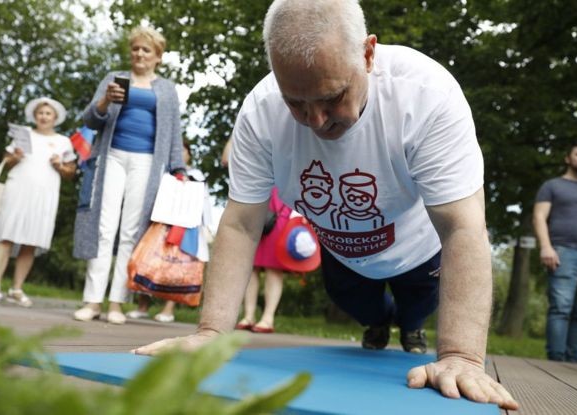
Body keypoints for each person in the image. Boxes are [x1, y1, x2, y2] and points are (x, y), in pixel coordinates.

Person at [135, 0, 518, 409]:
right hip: (343, 252)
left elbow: (463, 225)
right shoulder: (260, 112)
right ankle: (377, 324)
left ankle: (407, 328)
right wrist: (210, 335)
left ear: (368, 54)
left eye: (332, 97)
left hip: (421, 253)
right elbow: (241, 225)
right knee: (360, 305)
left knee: (414, 312)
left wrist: (461, 357)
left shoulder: (426, 96)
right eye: (295, 103)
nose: (315, 121)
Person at [72, 26, 186, 325]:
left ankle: (116, 304)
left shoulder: (166, 89)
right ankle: (93, 301)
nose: (139, 53)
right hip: (111, 157)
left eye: (146, 50)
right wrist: (104, 101)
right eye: (135, 48)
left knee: (131, 231)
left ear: (157, 57)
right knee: (103, 227)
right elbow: (89, 121)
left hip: (147, 163)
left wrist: (179, 168)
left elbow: (174, 132)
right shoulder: (112, 79)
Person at [0, 97, 76, 307]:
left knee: (31, 241)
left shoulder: (63, 141)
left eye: (48, 113)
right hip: (17, 190)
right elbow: (6, 163)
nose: (44, 116)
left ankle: (16, 289)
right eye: (40, 113)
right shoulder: (22, 134)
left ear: (55, 118)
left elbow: (71, 172)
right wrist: (16, 156)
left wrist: (60, 166)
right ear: (35, 115)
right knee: (5, 235)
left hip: (45, 195)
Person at [533, 140, 577, 363]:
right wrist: (546, 246)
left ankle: (574, 363)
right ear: (568, 158)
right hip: (563, 252)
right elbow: (539, 217)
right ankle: (556, 361)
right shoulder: (552, 186)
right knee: (561, 308)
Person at [127, 140, 212, 323]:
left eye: (184, 150)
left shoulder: (196, 174)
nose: (180, 153)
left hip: (186, 226)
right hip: (161, 225)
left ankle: (168, 309)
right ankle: (142, 306)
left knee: (178, 267)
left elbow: (202, 202)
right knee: (151, 263)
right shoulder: (163, 171)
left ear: (189, 153)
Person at [235, 187, 293, 333]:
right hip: (255, 211)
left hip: (281, 213)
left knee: (273, 268)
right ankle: (249, 316)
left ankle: (268, 318)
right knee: (250, 267)